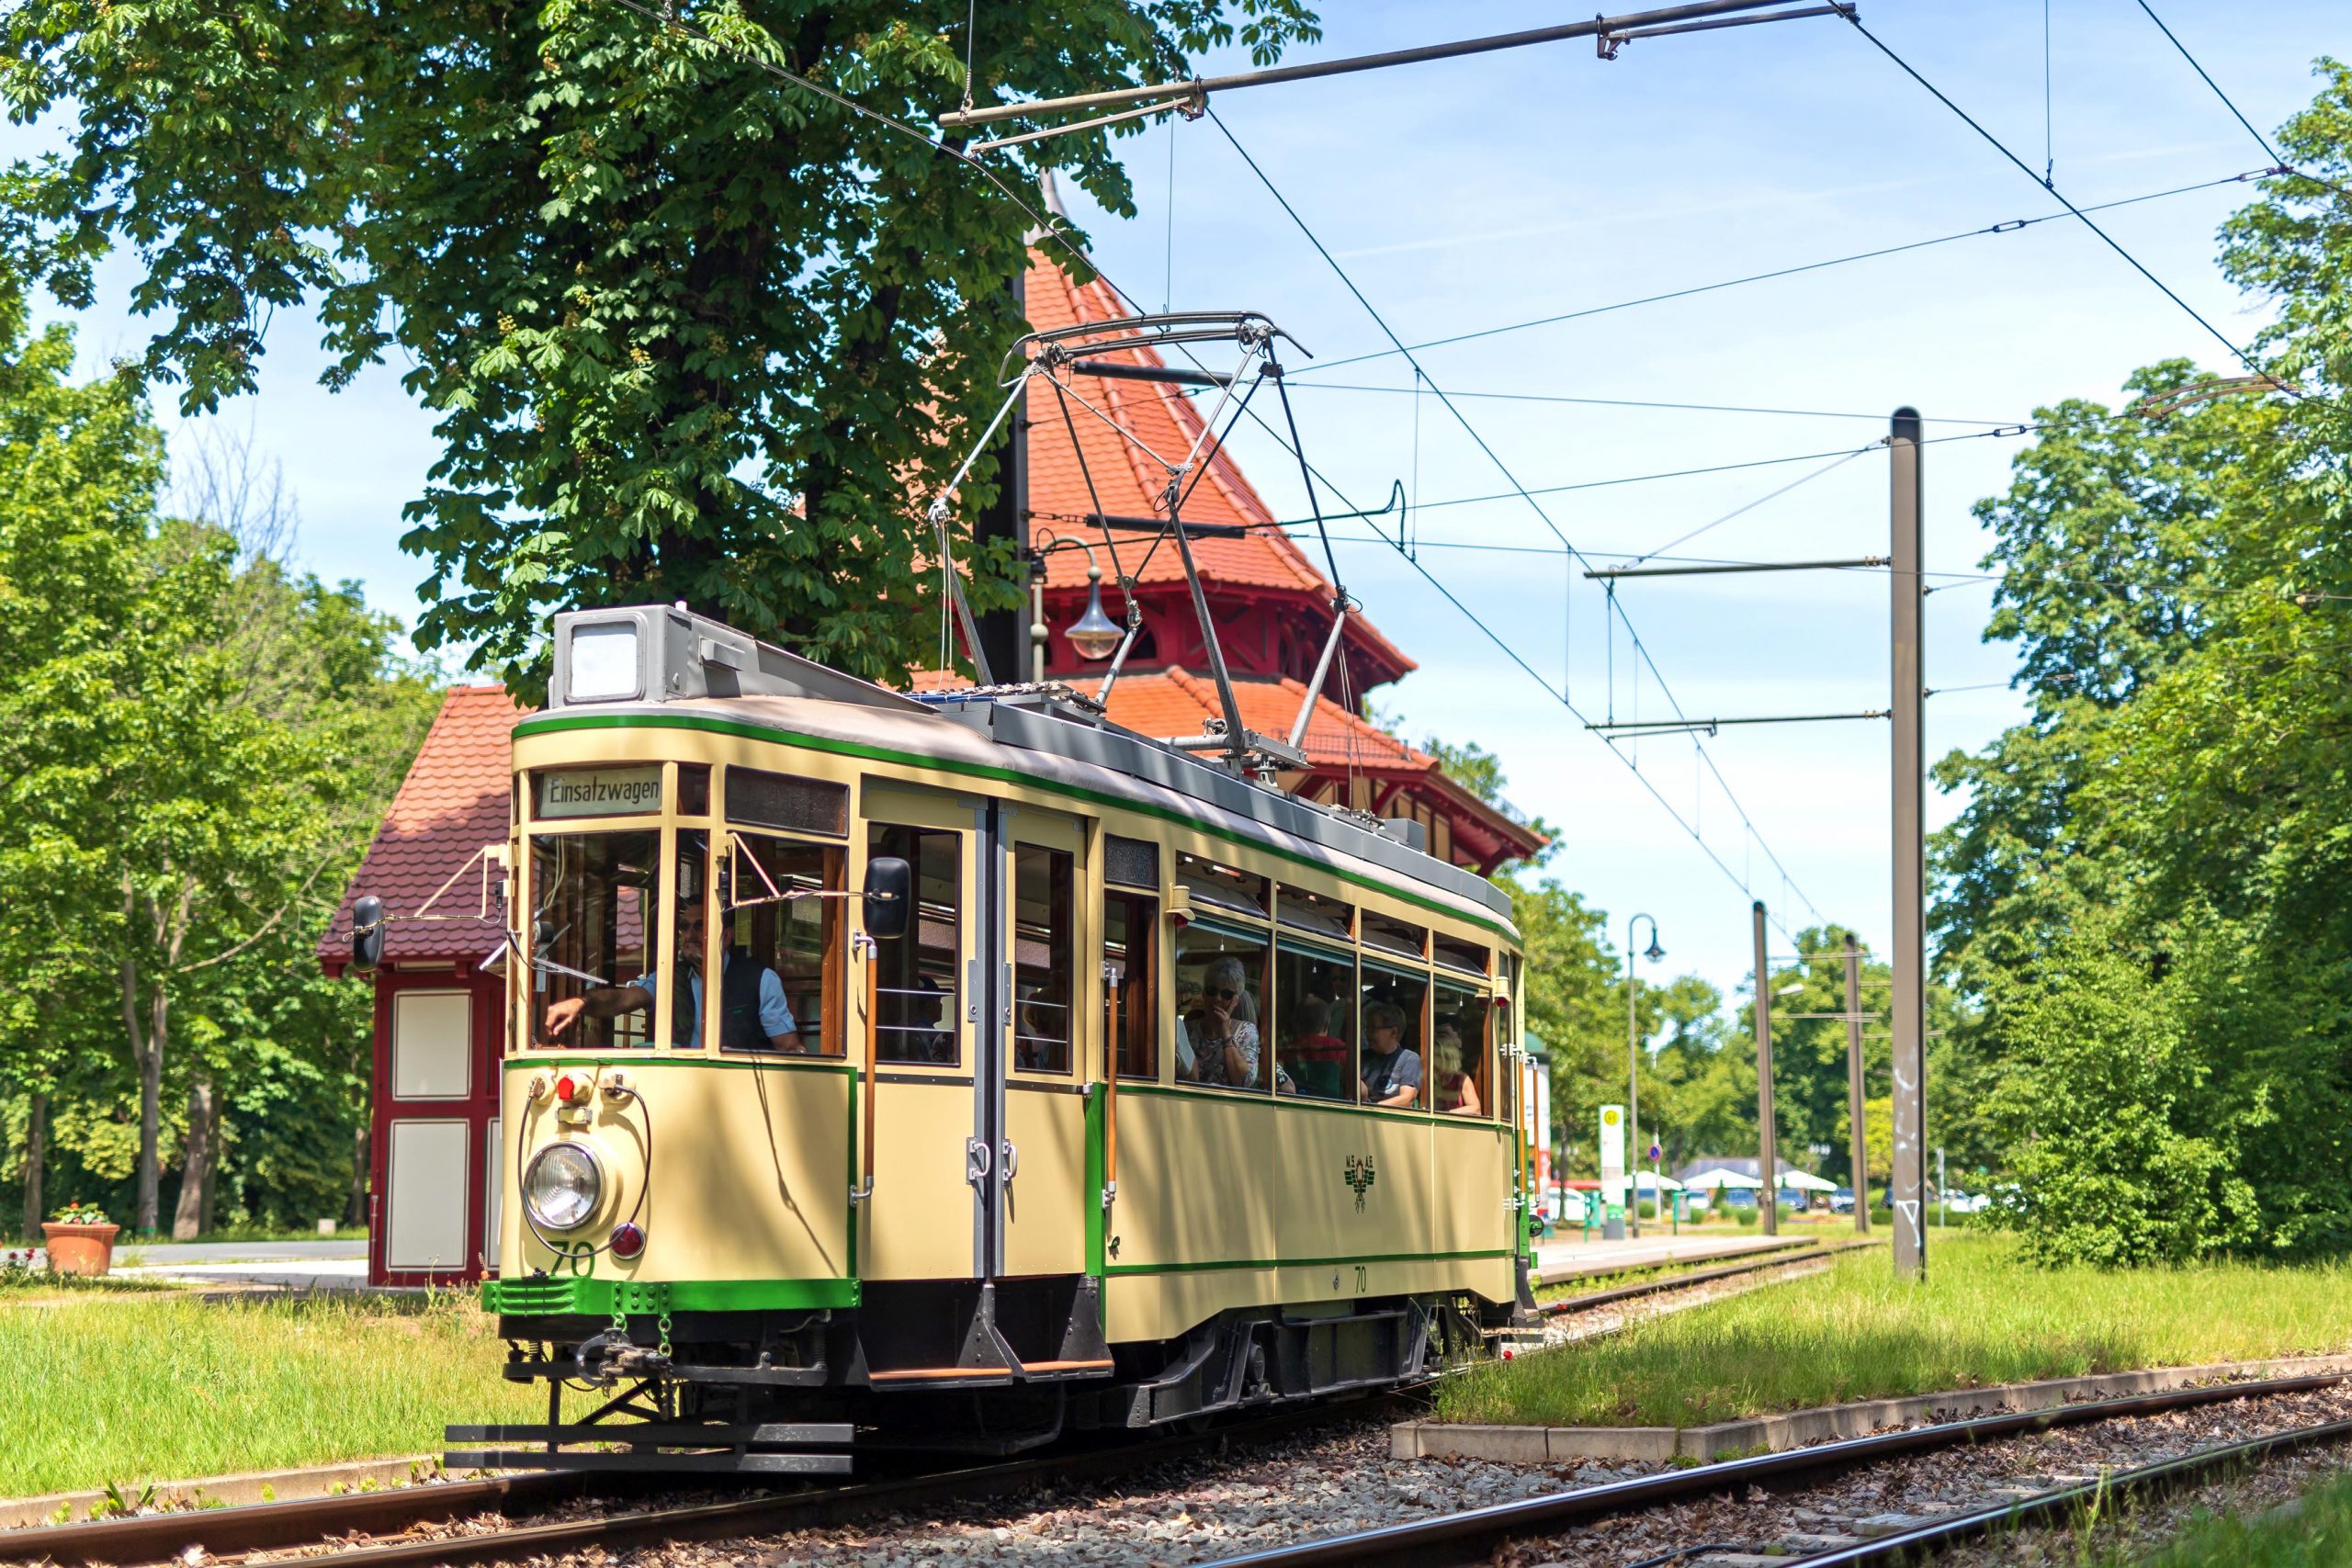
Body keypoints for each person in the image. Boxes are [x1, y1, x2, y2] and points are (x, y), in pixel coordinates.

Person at [544, 902, 802, 1052]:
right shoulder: (669, 978)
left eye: (700, 926)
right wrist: (582, 1003)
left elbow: (788, 1048)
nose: (689, 935)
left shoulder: (760, 980)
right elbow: (623, 999)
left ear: (726, 936)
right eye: (684, 927)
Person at [1185, 954, 1261, 1089]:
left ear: (1236, 1000)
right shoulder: (1187, 1030)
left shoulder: (1246, 1032)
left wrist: (1226, 1034)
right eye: (1212, 991)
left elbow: (1244, 1082)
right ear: (1204, 994)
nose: (1217, 999)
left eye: (1226, 994)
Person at [1281, 996, 1351, 1098]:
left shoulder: (1288, 1049)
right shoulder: (1339, 1048)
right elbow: (1358, 1089)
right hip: (1333, 1104)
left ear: (1296, 1024)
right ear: (1326, 1024)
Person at [1359, 1000, 1420, 1108]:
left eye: (1373, 1028)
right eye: (1367, 1028)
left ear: (1393, 1032)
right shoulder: (1361, 1057)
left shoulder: (1409, 1059)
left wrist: (1373, 1108)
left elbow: (1407, 1098)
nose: (1367, 1033)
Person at [1431, 1024, 1482, 1116]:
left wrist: (1448, 1114)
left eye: (1438, 1056)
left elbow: (1476, 1109)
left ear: (1448, 1057)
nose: (1434, 1061)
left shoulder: (1462, 1079)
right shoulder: (1429, 1078)